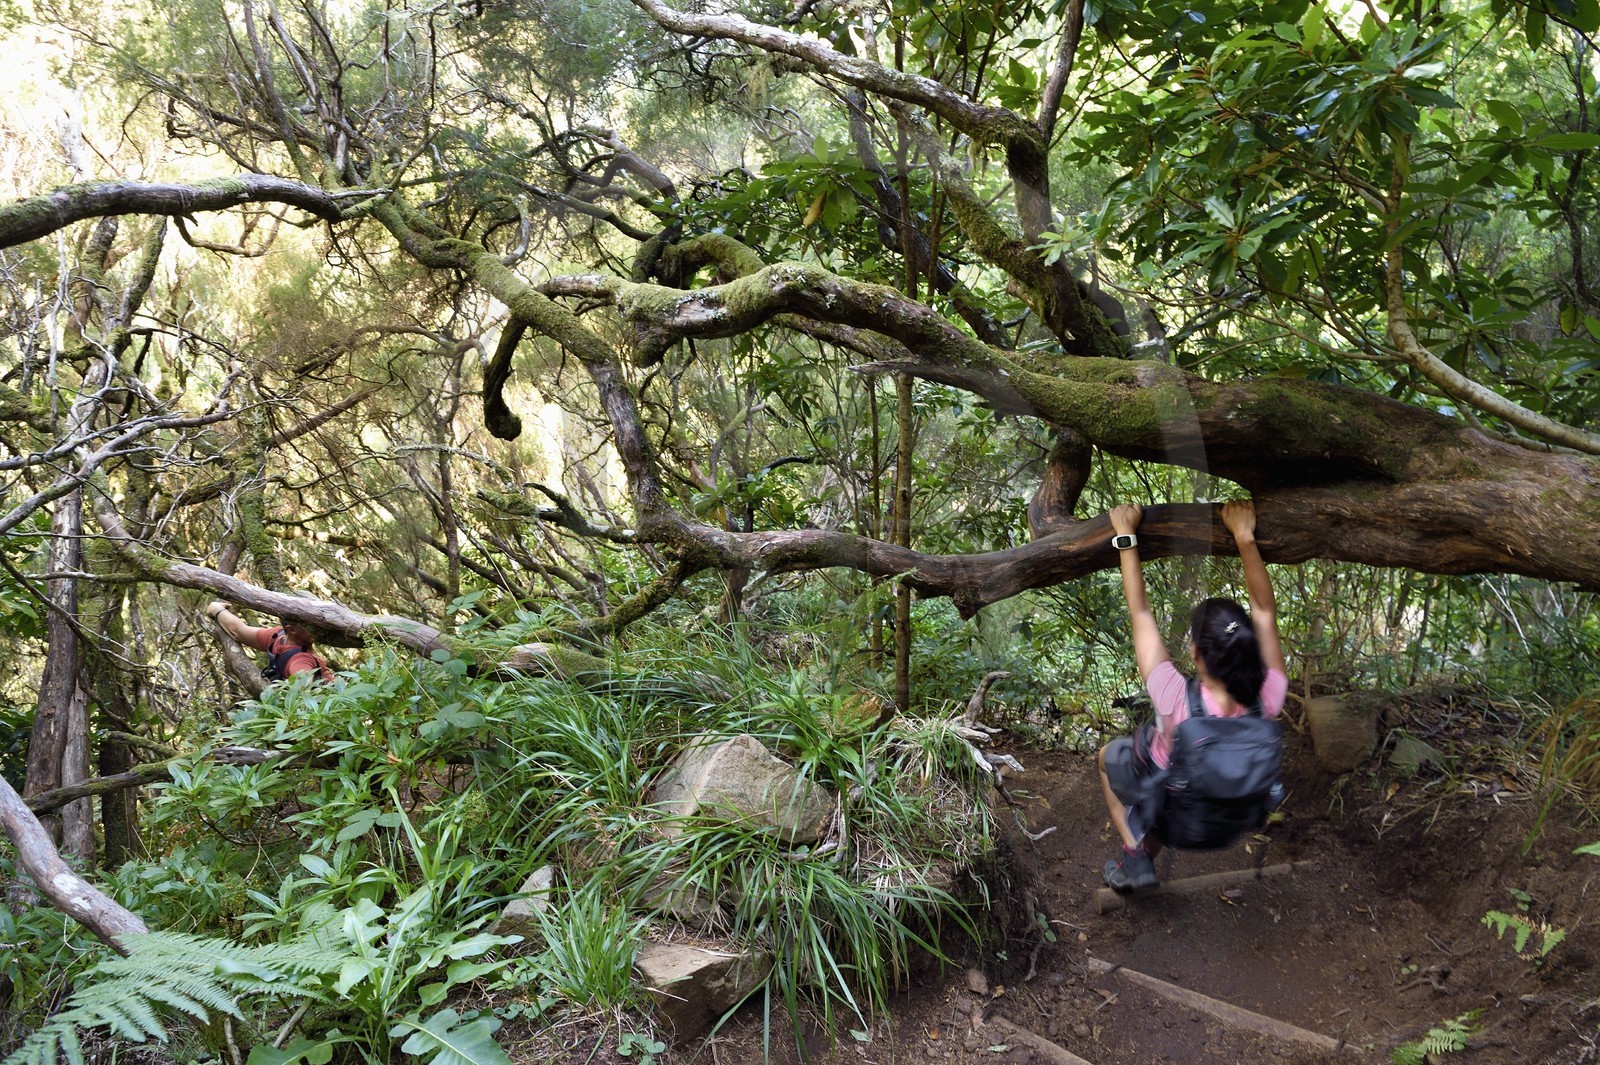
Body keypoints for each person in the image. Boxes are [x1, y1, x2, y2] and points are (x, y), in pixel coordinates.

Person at [1097, 499, 1288, 894]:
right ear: (1249, 649)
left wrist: (1126, 536)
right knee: (1178, 773)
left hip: (1176, 813)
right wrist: (1244, 537)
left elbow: (1140, 614)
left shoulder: (1173, 695)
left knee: (1109, 759)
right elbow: (1265, 611)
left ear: (1197, 655)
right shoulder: (1270, 693)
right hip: (1229, 817)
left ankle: (1135, 855)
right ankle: (1145, 851)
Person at [204, 600, 334, 683]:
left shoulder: (277, 637)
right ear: (292, 630)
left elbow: (239, 631)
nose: (318, 630)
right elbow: (302, 682)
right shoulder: (301, 660)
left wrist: (217, 610)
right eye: (310, 627)